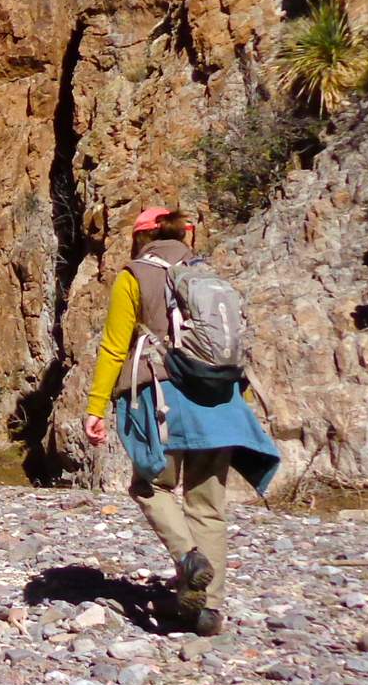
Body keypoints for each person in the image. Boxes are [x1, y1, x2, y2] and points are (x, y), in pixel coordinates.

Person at [82, 207, 279, 636]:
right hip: (219, 402)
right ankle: (208, 612)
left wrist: (96, 407)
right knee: (208, 507)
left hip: (164, 399)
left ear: (141, 238)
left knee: (150, 484)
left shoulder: (133, 276)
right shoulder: (206, 274)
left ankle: (189, 558)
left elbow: (114, 348)